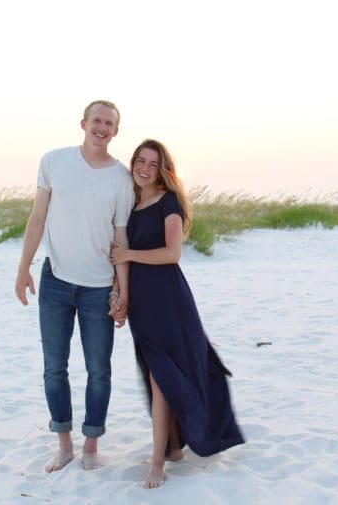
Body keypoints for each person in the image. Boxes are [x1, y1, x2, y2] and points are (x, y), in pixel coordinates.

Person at [110, 139, 245, 489]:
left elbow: (172, 253)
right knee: (156, 376)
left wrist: (129, 256)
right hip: (142, 305)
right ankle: (171, 448)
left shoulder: (168, 202)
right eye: (140, 161)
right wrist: (119, 295)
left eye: (152, 163)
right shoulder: (130, 204)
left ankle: (158, 463)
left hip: (169, 302)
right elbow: (118, 256)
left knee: (162, 377)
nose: (144, 168)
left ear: (163, 169)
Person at [15, 101, 134, 473]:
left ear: (116, 131)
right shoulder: (54, 161)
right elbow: (37, 217)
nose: (102, 127)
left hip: (99, 288)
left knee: (99, 370)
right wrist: (23, 269)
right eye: (96, 120)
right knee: (54, 367)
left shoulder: (122, 178)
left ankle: (91, 446)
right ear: (83, 123)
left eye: (109, 123)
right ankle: (64, 445)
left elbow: (120, 239)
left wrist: (121, 290)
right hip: (55, 282)